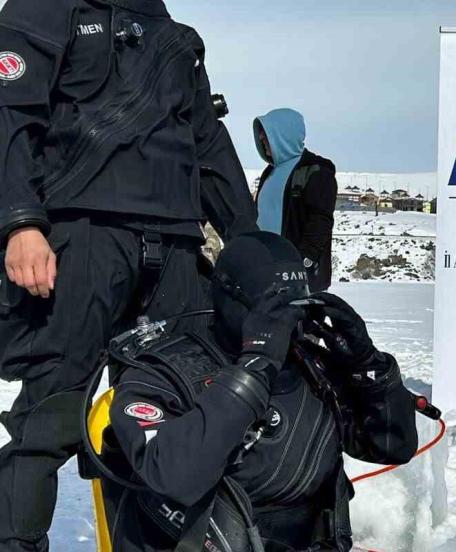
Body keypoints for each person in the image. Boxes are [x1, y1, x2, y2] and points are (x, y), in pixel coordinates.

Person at [0, 1, 258, 550]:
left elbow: (206, 141)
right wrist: (20, 223)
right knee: (50, 419)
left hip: (177, 249)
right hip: (82, 241)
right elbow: (9, 116)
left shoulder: (166, 27)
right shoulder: (45, 8)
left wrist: (250, 242)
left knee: (178, 417)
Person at [98, 232, 419, 551]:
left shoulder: (312, 370)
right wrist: (254, 368)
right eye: (274, 309)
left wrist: (369, 367)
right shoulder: (161, 374)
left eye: (297, 306)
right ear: (227, 300)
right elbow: (171, 475)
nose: (289, 322)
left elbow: (392, 446)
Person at [254, 109, 337, 292]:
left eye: (266, 133)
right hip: (268, 274)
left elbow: (320, 221)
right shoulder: (269, 173)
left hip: (300, 278)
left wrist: (305, 260)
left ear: (283, 135)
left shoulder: (315, 171)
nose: (260, 138)